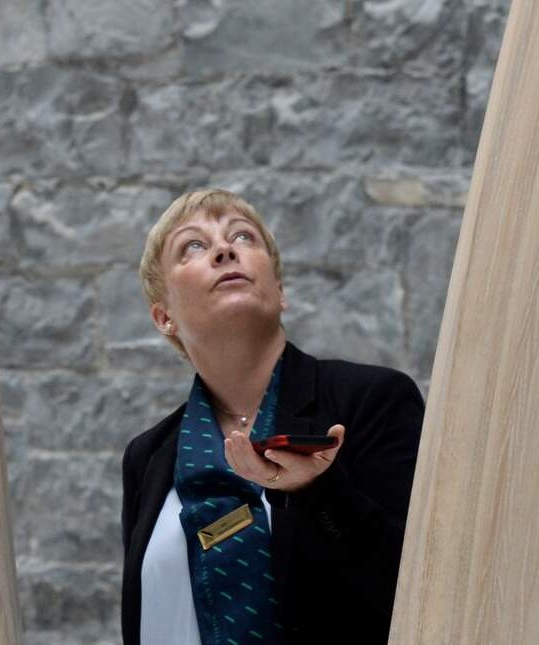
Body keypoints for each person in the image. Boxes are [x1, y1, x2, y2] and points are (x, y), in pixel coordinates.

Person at [121, 188, 424, 644]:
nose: (225, 249)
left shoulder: (371, 401)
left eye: (243, 237)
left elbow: (423, 589)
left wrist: (317, 490)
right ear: (164, 317)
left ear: (280, 292)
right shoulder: (148, 458)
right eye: (193, 246)